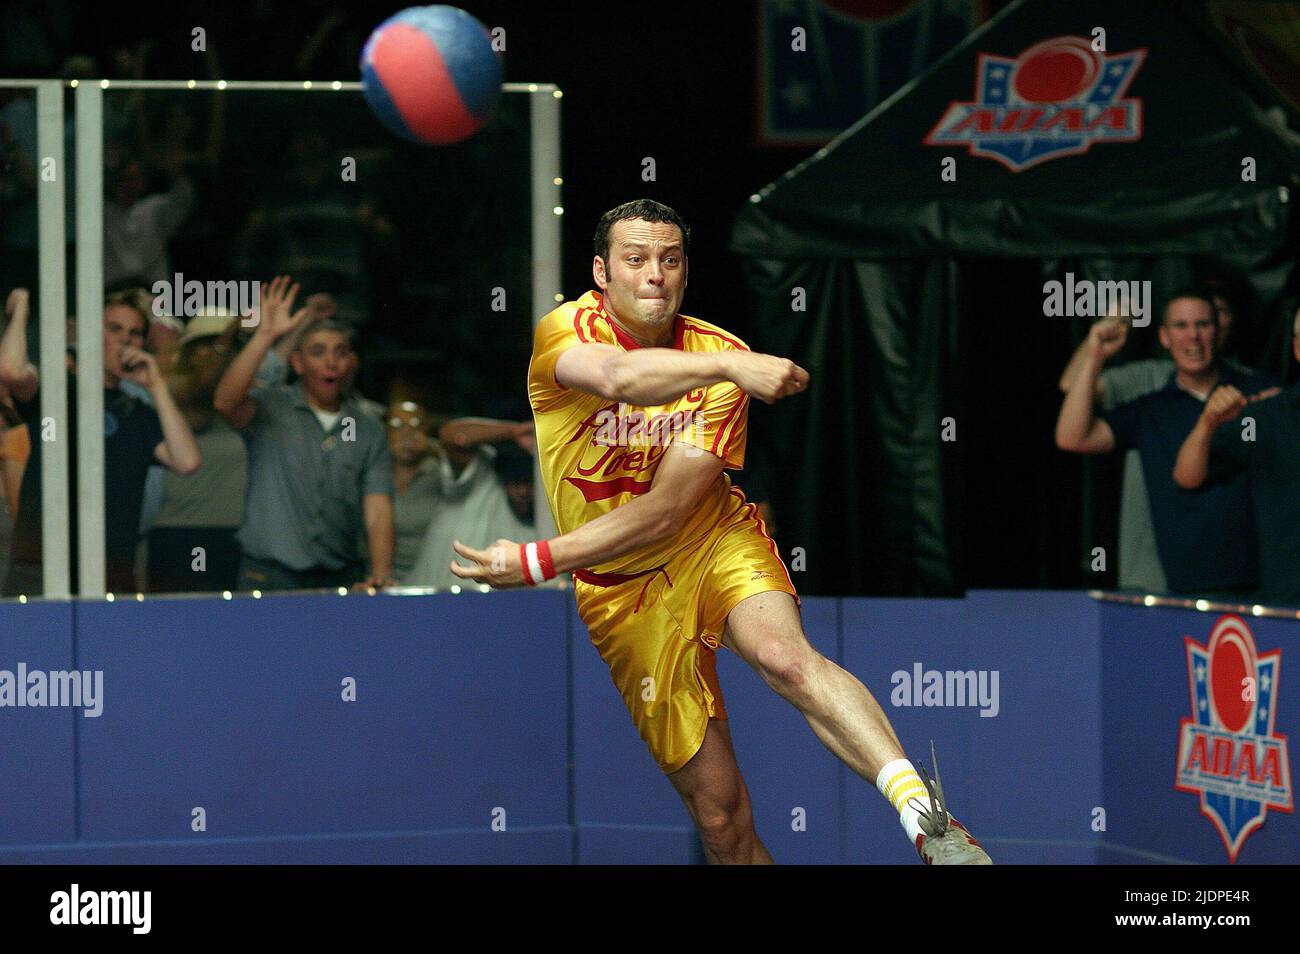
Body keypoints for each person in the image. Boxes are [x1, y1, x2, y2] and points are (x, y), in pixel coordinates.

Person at [447, 199, 990, 864]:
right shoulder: (567, 333)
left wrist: (534, 559)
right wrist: (733, 368)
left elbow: (668, 511)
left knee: (785, 660)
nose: (655, 276)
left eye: (670, 261)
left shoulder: (722, 355)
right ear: (601, 272)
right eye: (636, 260)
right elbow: (620, 379)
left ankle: (925, 819)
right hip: (619, 591)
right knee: (722, 820)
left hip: (709, 541)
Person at [1055, 290, 1275, 598]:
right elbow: (1071, 436)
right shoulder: (1151, 408)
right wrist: (1096, 353)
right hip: (1182, 586)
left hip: (1266, 581)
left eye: (1202, 325)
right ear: (1164, 336)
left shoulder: (1260, 391)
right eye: (1181, 326)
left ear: (1218, 331)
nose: (1193, 337)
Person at [0, 286, 201, 595]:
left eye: (134, 333)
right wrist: (22, 309)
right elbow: (10, 370)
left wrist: (156, 384)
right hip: (39, 562)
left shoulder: (138, 413)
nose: (125, 339)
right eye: (115, 329)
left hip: (111, 567)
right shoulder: (60, 389)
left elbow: (187, 461)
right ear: (93, 335)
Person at [213, 276, 394, 591]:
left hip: (340, 576)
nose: (331, 362)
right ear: (297, 362)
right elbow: (225, 402)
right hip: (268, 576)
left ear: (352, 362)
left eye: (340, 352)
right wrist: (265, 336)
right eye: (318, 352)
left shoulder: (368, 428)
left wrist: (380, 575)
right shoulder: (271, 407)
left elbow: (377, 507)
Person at [1173, 306, 1299, 605]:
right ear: (1297, 348)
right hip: (1288, 607)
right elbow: (1187, 477)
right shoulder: (1263, 420)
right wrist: (1208, 423)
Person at [147, 312, 248, 593]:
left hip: (233, 535)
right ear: (189, 353)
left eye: (228, 345)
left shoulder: (244, 401)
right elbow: (205, 390)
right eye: (208, 344)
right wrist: (229, 340)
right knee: (181, 628)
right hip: (182, 534)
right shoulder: (177, 392)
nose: (220, 352)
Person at [403, 415, 537, 589]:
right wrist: (514, 432)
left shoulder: (552, 515)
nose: (522, 491)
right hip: (427, 601)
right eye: (515, 482)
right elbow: (451, 435)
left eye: (529, 483)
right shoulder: (482, 479)